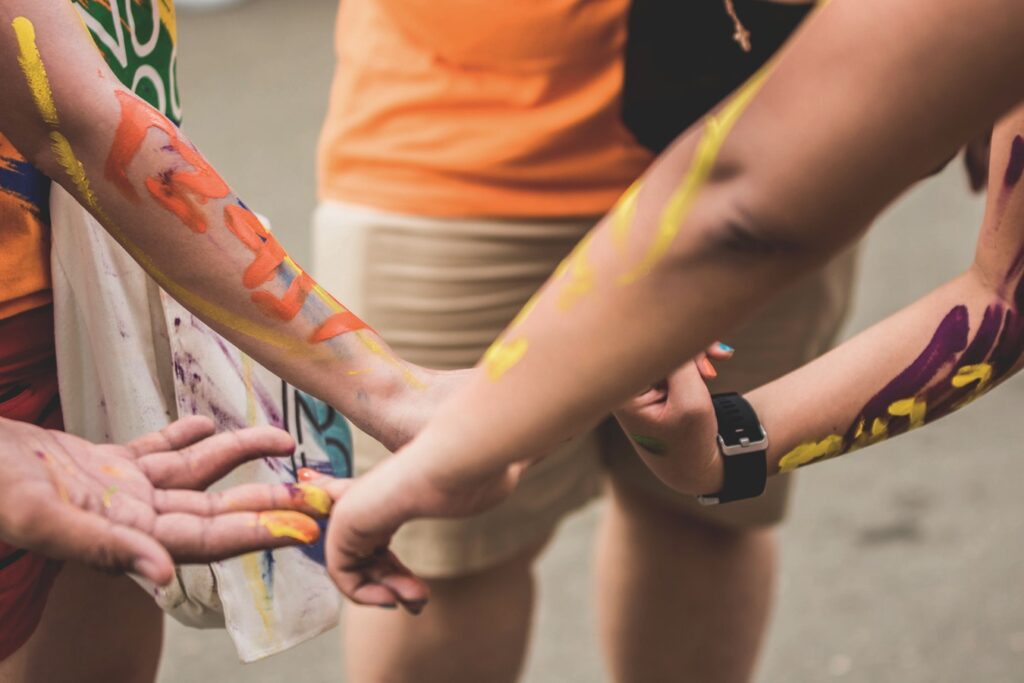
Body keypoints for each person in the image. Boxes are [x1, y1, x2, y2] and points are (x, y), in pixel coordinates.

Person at [321, 0, 1024, 659]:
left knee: (708, 528)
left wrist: (730, 454)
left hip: (784, 118)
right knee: (445, 561)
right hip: (466, 128)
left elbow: (1000, 294)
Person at [0, 1, 446, 680]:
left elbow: (78, 112)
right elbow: (68, 115)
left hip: (94, 251)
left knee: (109, 576)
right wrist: (386, 387)